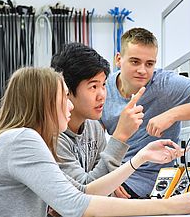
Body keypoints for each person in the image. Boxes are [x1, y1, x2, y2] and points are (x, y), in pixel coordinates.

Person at [0, 67, 190, 217]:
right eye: (64, 96)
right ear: (44, 102)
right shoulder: (23, 139)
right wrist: (168, 207)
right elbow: (76, 206)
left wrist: (140, 158)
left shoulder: (12, 139)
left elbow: (82, 191)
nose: (70, 104)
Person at [101, 27, 190, 198]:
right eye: (135, 62)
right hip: (115, 175)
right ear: (118, 59)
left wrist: (172, 114)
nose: (143, 70)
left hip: (146, 183)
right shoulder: (103, 90)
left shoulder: (165, 84)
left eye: (149, 64)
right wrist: (111, 176)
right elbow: (94, 141)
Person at [51, 43, 142, 198]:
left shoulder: (94, 128)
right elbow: (86, 192)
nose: (102, 95)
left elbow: (104, 183)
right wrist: (120, 136)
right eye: (93, 87)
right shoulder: (52, 136)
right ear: (66, 90)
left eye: (104, 85)